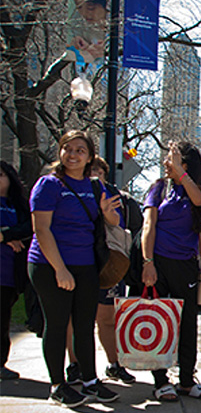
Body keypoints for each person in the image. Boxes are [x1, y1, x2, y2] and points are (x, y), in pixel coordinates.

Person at [27, 130, 121, 407]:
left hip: (85, 265)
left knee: (84, 325)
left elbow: (114, 221)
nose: (73, 154)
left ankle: (90, 381)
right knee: (56, 325)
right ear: (60, 152)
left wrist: (106, 212)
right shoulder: (48, 185)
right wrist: (60, 269)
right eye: (68, 149)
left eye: (80, 150)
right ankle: (57, 385)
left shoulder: (94, 186)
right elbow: (41, 230)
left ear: (89, 156)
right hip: (49, 265)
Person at [138, 142, 201, 402]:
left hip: (186, 265)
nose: (166, 163)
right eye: (167, 159)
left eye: (172, 159)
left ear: (187, 164)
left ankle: (185, 381)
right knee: (158, 322)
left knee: (187, 324)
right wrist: (148, 262)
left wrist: (181, 173)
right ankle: (160, 381)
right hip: (158, 263)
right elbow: (149, 225)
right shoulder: (158, 189)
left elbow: (199, 200)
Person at [64, 156, 135, 386]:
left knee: (107, 319)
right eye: (90, 171)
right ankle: (75, 366)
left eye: (100, 172)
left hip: (106, 264)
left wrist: (106, 211)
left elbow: (118, 227)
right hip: (77, 260)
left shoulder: (112, 197)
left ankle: (114, 365)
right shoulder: (69, 193)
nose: (95, 176)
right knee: (74, 318)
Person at [0, 161, 32, 380]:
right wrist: (9, 237)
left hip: (9, 274)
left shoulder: (18, 205)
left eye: (1, 174)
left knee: (3, 321)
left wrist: (5, 236)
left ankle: (1, 364)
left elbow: (28, 228)